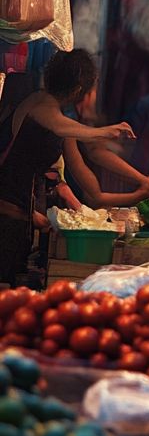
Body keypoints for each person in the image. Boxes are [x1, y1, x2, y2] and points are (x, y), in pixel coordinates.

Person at [0, 51, 136, 282]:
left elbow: (79, 154)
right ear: (77, 92)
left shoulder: (49, 108)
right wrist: (104, 131)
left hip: (20, 219)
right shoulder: (41, 105)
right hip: (6, 221)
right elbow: (61, 127)